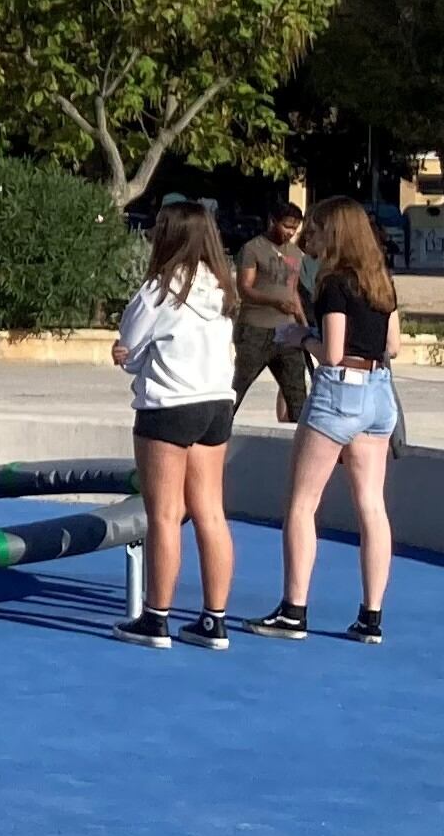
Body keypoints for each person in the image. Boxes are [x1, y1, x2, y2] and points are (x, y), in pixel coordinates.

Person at [248, 196, 397, 645]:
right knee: (371, 504)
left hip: (339, 393)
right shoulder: (383, 282)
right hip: (379, 394)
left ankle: (294, 610)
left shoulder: (335, 284)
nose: (308, 235)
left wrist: (299, 336)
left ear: (332, 233)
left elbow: (331, 353)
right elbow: (393, 346)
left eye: (315, 228)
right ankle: (371, 616)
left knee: (302, 502)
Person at [111, 201, 239, 649]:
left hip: (168, 405)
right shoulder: (223, 288)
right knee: (210, 509)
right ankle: (214, 620)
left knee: (164, 514)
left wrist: (126, 357)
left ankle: (156, 618)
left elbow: (127, 348)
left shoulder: (159, 290)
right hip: (217, 403)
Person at [231, 202, 313, 425]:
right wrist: (274, 301)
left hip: (287, 331)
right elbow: (245, 289)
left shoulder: (296, 253)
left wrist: (304, 325)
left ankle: (300, 441)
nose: (290, 233)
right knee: (236, 387)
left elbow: (292, 290)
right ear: (273, 221)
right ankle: (216, 433)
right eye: (286, 226)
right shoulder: (252, 249)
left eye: (294, 228)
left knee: (297, 394)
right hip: (255, 330)